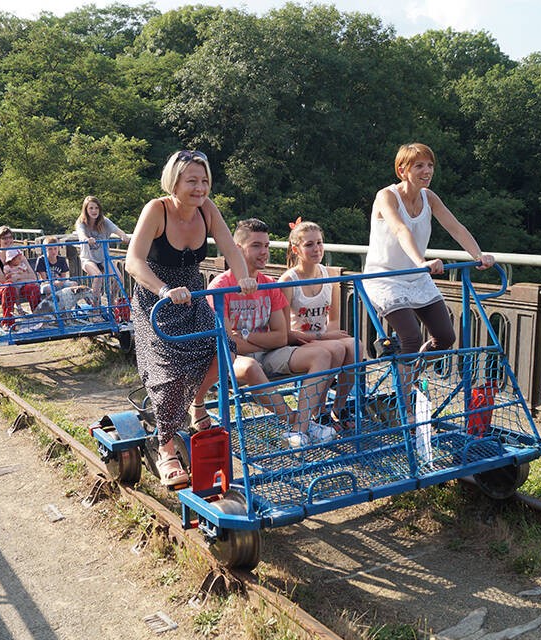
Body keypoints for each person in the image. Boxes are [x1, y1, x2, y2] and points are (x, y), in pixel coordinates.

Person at [125, 150, 255, 487]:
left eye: (204, 180)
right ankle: (166, 448)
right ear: (175, 182)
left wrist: (243, 278)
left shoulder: (207, 209)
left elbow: (230, 249)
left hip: (193, 298)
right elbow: (133, 261)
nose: (200, 188)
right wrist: (165, 288)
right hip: (157, 302)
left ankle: (197, 405)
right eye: (192, 181)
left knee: (223, 346)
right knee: (169, 374)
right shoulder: (157, 210)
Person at [208, 219, 339, 448]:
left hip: (267, 353)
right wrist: (256, 342)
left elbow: (280, 336)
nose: (264, 252)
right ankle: (297, 423)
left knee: (322, 355)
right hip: (232, 361)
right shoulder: (221, 287)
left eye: (267, 246)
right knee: (250, 367)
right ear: (238, 249)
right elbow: (228, 344)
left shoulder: (269, 284)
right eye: (257, 246)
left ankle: (300, 427)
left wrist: (245, 337)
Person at [363, 142, 495, 359]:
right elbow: (399, 229)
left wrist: (478, 255)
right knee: (410, 338)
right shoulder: (386, 196)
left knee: (445, 337)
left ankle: (412, 376)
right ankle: (402, 393)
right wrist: (421, 261)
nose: (427, 171)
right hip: (386, 278)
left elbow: (456, 228)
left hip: (416, 277)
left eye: (430, 165)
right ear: (402, 171)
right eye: (418, 166)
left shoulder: (429, 197)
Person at [279, 218, 362, 429]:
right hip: (297, 341)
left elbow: (333, 319)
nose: (316, 249)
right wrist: (327, 338)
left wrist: (331, 336)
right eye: (309, 244)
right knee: (334, 348)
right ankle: (319, 409)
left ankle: (339, 407)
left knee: (356, 346)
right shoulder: (289, 281)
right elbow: (283, 330)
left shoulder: (329, 275)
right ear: (296, 250)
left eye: (319, 243)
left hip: (322, 337)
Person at [76, 196, 128, 298]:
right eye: (91, 208)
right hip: (88, 259)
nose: (94, 211)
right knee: (98, 276)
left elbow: (117, 230)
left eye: (96, 208)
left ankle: (112, 299)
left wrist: (123, 236)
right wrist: (87, 239)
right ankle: (95, 305)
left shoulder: (104, 221)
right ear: (86, 210)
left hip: (103, 258)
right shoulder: (81, 222)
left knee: (119, 278)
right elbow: (81, 234)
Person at [0, 226, 40, 326]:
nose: (8, 240)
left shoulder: (19, 254)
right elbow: (2, 280)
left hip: (20, 285)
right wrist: (22, 276)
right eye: (4, 238)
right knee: (9, 287)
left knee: (33, 287)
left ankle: (38, 317)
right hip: (3, 288)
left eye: (9, 237)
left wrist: (17, 278)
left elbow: (33, 277)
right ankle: (8, 322)